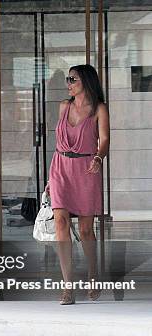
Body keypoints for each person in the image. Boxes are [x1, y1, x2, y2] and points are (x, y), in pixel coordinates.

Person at [47, 64, 109, 305]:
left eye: (72, 79)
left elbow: (104, 140)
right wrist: (49, 181)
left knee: (85, 231)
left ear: (86, 81)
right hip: (60, 168)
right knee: (60, 222)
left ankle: (93, 275)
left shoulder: (99, 109)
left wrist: (98, 157)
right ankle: (68, 287)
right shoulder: (64, 106)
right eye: (67, 79)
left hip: (86, 169)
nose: (68, 83)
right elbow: (57, 145)